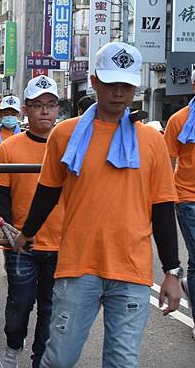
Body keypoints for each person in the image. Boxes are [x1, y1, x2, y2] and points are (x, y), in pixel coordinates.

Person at [14, 42, 183, 368]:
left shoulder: (151, 141)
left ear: (135, 86)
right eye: (110, 83)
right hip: (78, 266)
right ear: (93, 81)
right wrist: (27, 232)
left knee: (122, 362)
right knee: (59, 359)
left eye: (126, 85)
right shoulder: (64, 134)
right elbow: (48, 192)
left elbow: (162, 207)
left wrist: (172, 272)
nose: (118, 93)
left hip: (132, 271)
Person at [0, 75, 64, 368]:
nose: (45, 111)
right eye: (38, 105)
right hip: (22, 241)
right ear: (25, 109)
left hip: (61, 241)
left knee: (51, 307)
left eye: (51, 105)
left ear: (58, 108)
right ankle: (12, 348)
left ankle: (39, 360)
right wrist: (8, 230)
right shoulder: (9, 148)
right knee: (20, 304)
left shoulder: (69, 144)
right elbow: (0, 192)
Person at [163, 69, 195, 339]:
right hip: (188, 199)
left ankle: (189, 285)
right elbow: (167, 163)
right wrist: (170, 197)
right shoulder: (179, 120)